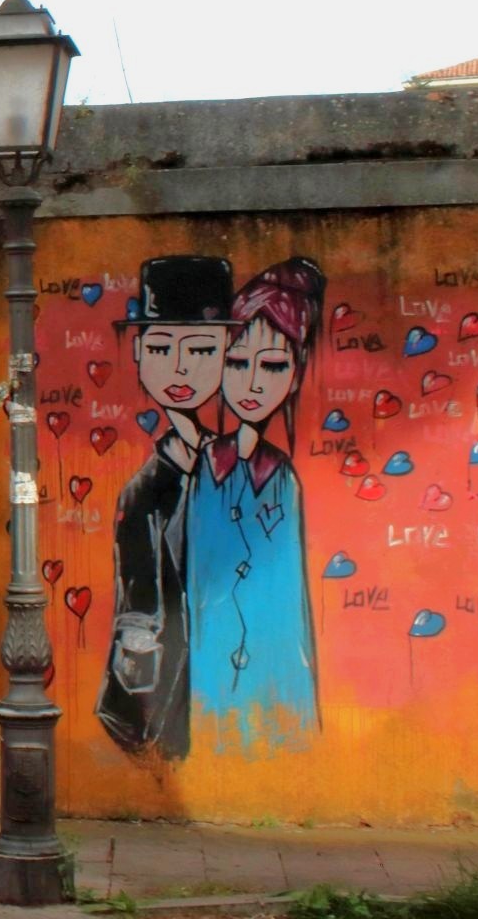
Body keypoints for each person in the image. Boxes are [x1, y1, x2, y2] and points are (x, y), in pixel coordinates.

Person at [98, 255, 234, 760]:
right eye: (160, 348)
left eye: (200, 349)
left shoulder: (237, 468)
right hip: (177, 689)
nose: (179, 368)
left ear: (226, 352)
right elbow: (136, 603)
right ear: (138, 353)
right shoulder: (144, 491)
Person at [188, 257, 323, 749]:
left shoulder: (282, 477)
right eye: (236, 363)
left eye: (273, 366)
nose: (251, 383)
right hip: (206, 667)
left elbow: (289, 605)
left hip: (273, 671)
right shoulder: (204, 466)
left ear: (295, 372)